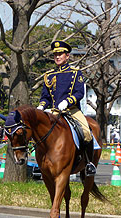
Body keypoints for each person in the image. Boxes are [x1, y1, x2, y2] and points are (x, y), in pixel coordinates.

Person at [37, 40, 96, 176]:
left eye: (61, 54)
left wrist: (67, 102)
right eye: (55, 54)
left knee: (86, 132)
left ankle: (88, 163)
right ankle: (41, 161)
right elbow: (46, 96)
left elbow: (79, 93)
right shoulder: (48, 75)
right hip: (53, 111)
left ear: (67, 56)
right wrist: (41, 106)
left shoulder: (75, 73)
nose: (57, 57)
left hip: (71, 109)